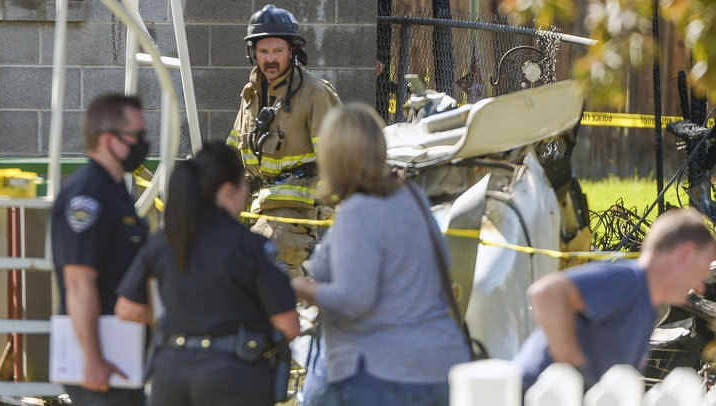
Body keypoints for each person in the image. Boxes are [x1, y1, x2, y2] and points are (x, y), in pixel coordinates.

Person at [291, 103, 470, 406]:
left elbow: (352, 300)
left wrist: (299, 287)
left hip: (380, 375)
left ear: (333, 158)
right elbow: (444, 266)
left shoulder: (358, 212)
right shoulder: (412, 197)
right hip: (439, 365)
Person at [115, 142, 301, 406]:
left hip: (171, 373)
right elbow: (288, 325)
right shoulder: (250, 246)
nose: (247, 192)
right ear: (227, 191)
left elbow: (128, 310)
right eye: (243, 185)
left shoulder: (165, 241)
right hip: (234, 376)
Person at [514, 207, 716, 389]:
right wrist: (576, 373)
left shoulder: (649, 307)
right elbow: (546, 293)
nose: (700, 288)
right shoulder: (629, 281)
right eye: (701, 273)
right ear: (684, 255)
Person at [226, 4, 341, 276]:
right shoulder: (250, 95)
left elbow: (337, 159)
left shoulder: (313, 93)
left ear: (292, 51)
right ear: (253, 53)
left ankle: (296, 314)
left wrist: (328, 210)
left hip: (299, 213)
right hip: (256, 207)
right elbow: (233, 154)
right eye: (264, 51)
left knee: (267, 264)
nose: (270, 59)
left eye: (277, 50)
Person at [51, 94, 150, 405]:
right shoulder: (88, 196)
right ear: (109, 140)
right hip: (103, 355)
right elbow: (79, 283)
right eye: (136, 136)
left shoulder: (114, 190)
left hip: (122, 350)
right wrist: (92, 358)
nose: (142, 144)